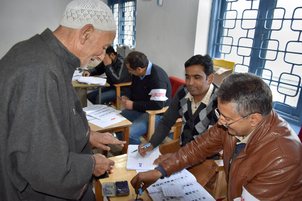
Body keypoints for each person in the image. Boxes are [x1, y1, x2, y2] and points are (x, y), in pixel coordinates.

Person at [0, 0, 126, 201]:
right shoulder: (40, 72)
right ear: (85, 33)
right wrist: (91, 165)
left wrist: (87, 136)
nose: (103, 56)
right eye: (103, 47)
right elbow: (42, 166)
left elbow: (50, 121)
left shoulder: (38, 52)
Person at [131, 73, 302, 200]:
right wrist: (160, 171)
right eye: (219, 113)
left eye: (226, 118)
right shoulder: (232, 123)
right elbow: (198, 147)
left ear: (254, 119)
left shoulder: (283, 156)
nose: (220, 122)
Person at [138, 54, 218, 156]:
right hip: (183, 149)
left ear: (210, 78)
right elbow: (166, 122)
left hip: (206, 158)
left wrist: (177, 159)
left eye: (197, 77)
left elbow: (212, 143)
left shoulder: (219, 101)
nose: (190, 83)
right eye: (187, 77)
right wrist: (151, 144)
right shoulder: (183, 92)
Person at [120, 51, 172, 144]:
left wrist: (133, 105)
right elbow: (132, 88)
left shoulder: (157, 78)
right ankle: (126, 149)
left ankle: (138, 155)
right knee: (117, 124)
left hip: (157, 114)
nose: (128, 72)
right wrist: (126, 96)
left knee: (130, 133)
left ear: (139, 69)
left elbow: (158, 105)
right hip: (142, 109)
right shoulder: (138, 74)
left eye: (130, 70)